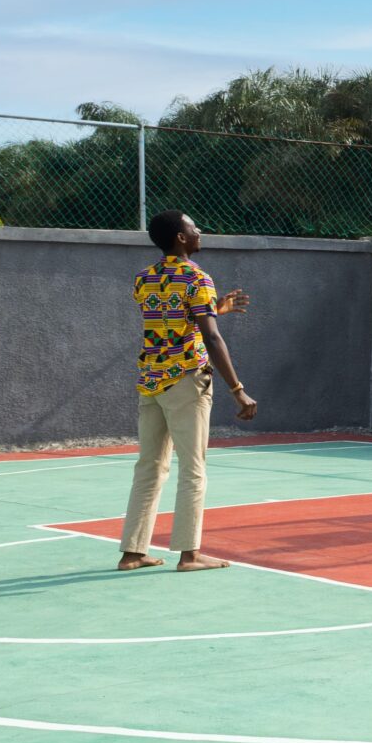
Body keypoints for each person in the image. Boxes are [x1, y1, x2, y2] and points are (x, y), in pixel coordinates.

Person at [118, 209, 257, 572]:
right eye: (194, 228)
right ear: (181, 237)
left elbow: (170, 321)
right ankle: (189, 554)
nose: (199, 232)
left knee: (149, 467)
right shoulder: (198, 278)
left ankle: (133, 552)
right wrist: (238, 389)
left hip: (151, 380)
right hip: (186, 379)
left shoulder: (144, 278)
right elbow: (211, 337)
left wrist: (214, 310)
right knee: (193, 468)